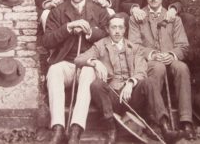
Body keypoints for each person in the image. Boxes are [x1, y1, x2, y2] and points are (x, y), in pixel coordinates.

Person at [75, 13, 181, 144]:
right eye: (114, 27)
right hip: (111, 98)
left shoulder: (134, 48)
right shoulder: (100, 45)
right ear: (108, 29)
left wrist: (131, 83)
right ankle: (111, 129)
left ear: (125, 30)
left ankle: (165, 129)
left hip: (131, 97)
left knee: (149, 81)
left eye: (120, 27)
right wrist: (95, 62)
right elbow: (78, 59)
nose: (117, 31)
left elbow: (141, 70)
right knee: (96, 85)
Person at [41, 0, 110, 144]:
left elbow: (108, 37)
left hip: (88, 63)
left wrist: (89, 32)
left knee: (87, 72)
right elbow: (47, 41)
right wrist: (68, 28)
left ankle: (76, 129)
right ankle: (57, 127)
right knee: (54, 70)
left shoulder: (98, 11)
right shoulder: (57, 11)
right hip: (66, 63)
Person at [128, 0, 196, 140]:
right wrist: (151, 54)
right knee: (157, 68)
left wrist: (171, 54)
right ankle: (155, 120)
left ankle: (186, 122)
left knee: (182, 68)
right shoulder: (137, 18)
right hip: (150, 61)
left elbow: (183, 46)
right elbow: (133, 46)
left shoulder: (174, 18)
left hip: (169, 57)